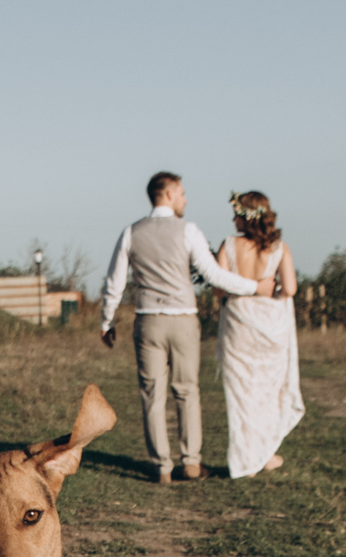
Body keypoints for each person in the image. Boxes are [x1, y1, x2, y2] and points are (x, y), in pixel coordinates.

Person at [98, 171, 264, 483]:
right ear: (169, 194)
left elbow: (114, 283)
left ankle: (161, 466)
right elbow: (214, 275)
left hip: (148, 321)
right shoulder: (188, 231)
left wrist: (107, 322)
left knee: (151, 393)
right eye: (183, 193)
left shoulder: (131, 233)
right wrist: (255, 286)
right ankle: (190, 462)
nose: (186, 198)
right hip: (184, 320)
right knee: (187, 391)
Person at [214, 191, 304, 477]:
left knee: (241, 393)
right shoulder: (279, 247)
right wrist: (270, 288)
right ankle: (261, 455)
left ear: (246, 216)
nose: (233, 219)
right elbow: (290, 289)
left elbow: (218, 287)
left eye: (236, 213)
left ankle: (250, 458)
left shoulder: (228, 245)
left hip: (239, 326)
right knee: (266, 392)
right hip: (271, 328)